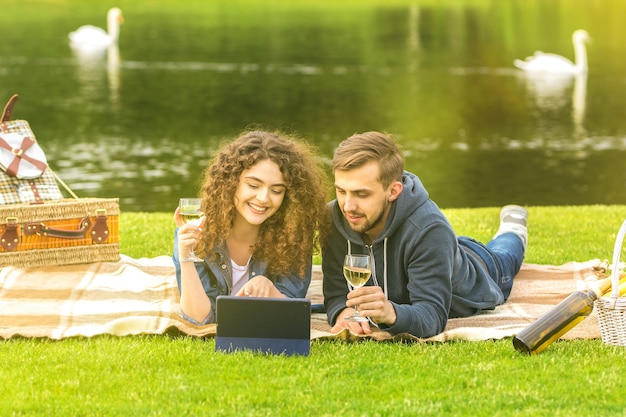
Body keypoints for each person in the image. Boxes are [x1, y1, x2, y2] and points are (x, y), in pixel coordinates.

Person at [322, 131, 528, 338]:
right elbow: (336, 293)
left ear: (393, 191)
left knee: (505, 253)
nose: (348, 206)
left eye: (362, 194)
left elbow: (432, 317)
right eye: (341, 191)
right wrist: (343, 312)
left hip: (484, 268)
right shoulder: (333, 220)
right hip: (439, 252)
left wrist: (391, 313)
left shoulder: (429, 230)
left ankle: (514, 229)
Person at [173, 130, 329, 325]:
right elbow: (200, 319)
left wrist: (269, 288)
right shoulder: (197, 231)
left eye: (276, 190)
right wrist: (186, 257)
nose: (264, 198)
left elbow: (292, 312)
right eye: (253, 185)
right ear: (231, 182)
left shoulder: (293, 233)